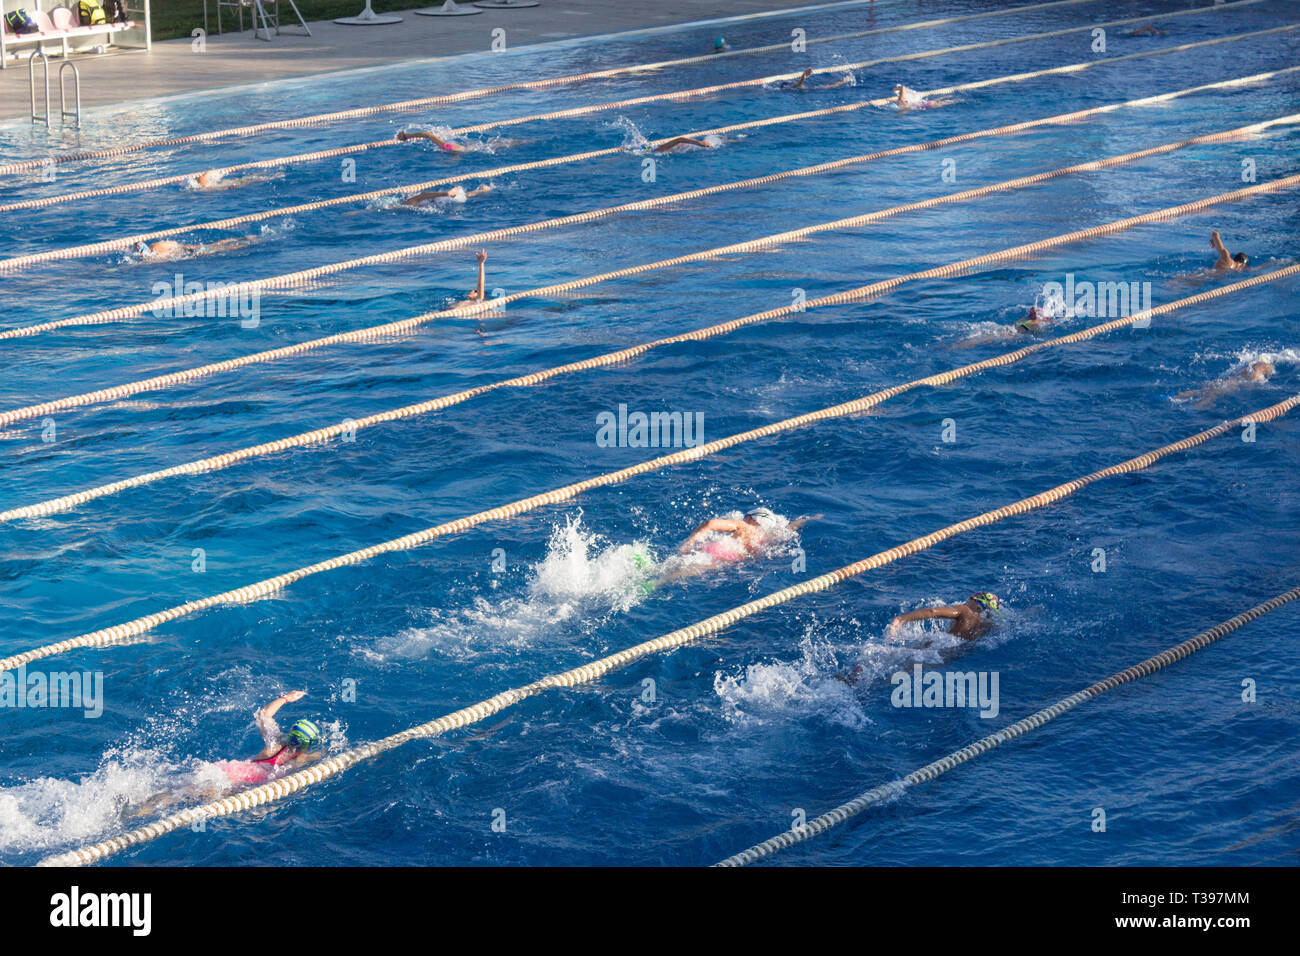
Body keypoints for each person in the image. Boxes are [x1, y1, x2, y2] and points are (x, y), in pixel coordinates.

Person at [215, 690, 324, 787]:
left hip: (234, 772)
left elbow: (263, 715)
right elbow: (323, 757)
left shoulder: (275, 744)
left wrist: (286, 698)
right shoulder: (302, 759)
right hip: (238, 781)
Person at [676, 507, 820, 564]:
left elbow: (711, 523)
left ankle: (657, 583)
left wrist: (690, 541)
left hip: (714, 552)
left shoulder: (743, 525)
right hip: (732, 563)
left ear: (752, 518)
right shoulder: (767, 538)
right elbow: (791, 527)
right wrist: (811, 518)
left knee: (676, 572)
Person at [889, 592, 1001, 641]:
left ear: (975, 600)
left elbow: (932, 611)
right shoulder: (982, 624)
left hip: (934, 648)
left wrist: (901, 619)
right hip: (951, 656)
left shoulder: (965, 610)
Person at [1173, 360, 1275, 406]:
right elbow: (1250, 386)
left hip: (1220, 382)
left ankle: (1174, 397)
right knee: (1206, 400)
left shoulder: (1245, 370)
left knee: (1201, 391)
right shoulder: (1256, 375)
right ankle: (1192, 410)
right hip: (1225, 387)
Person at [131, 235, 258, 260]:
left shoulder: (155, 253)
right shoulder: (155, 246)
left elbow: (172, 254)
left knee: (219, 249)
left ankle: (243, 244)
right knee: (215, 245)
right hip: (186, 248)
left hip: (187, 251)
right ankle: (242, 239)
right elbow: (174, 244)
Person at [401, 183, 493, 206]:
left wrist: (447, 193)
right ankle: (483, 190)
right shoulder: (407, 204)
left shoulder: (407, 203)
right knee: (465, 195)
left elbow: (425, 195)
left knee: (464, 196)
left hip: (437, 199)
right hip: (436, 201)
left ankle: (483, 190)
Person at [396, 129, 467, 152]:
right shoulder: (455, 149)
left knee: (428, 135)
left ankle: (406, 136)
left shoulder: (450, 147)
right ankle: (406, 136)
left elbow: (428, 134)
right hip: (451, 149)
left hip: (450, 147)